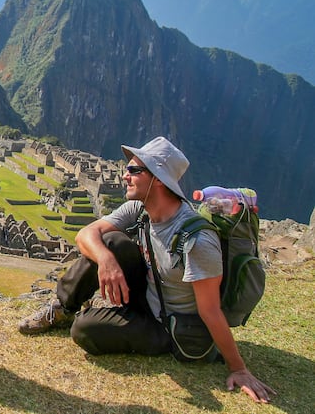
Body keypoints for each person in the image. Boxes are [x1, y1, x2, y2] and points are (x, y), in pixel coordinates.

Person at [17, 136, 276, 404]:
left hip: (170, 327)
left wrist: (238, 369)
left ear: (159, 179)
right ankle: (61, 309)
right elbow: (86, 234)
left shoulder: (197, 241)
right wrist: (107, 261)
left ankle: (97, 317)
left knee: (85, 330)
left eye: (133, 170)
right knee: (109, 242)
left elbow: (209, 311)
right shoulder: (139, 209)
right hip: (148, 295)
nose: (125, 175)